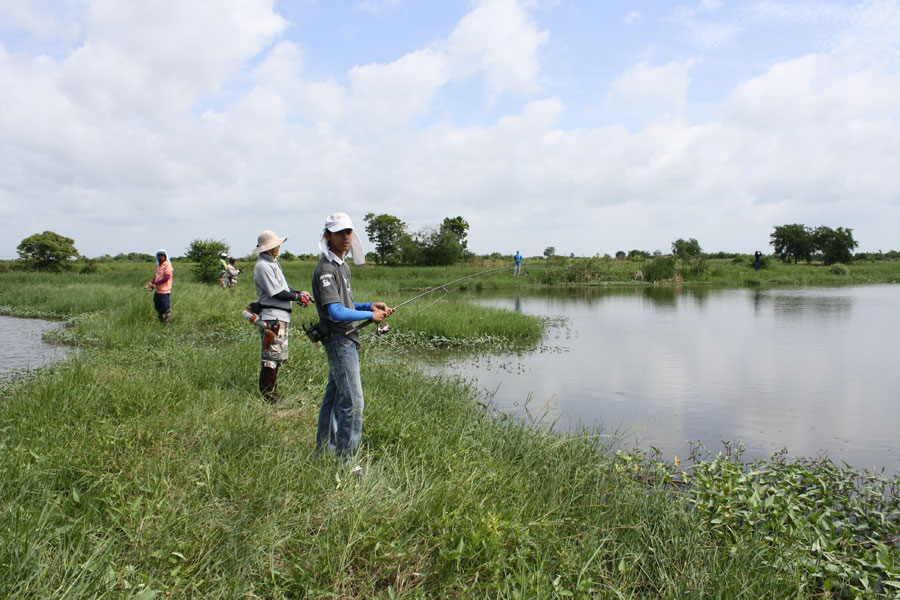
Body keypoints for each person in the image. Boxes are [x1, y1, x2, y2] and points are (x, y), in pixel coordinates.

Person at [312, 213, 392, 460]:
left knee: (334, 396)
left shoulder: (342, 266)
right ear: (328, 236)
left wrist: (370, 306)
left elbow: (346, 302)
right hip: (339, 341)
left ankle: (324, 450)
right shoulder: (325, 269)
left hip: (348, 339)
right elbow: (334, 311)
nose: (346, 237)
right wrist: (369, 314)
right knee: (354, 402)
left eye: (348, 232)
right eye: (339, 232)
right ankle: (346, 461)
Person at [253, 230, 311, 404]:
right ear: (268, 248)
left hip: (280, 316)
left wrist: (299, 293)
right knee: (271, 357)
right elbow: (277, 292)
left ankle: (272, 392)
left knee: (277, 357)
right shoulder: (263, 266)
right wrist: (298, 297)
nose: (278, 248)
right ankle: (268, 395)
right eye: (275, 245)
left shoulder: (273, 263)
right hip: (272, 317)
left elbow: (284, 288)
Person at [146, 249, 173, 325]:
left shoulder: (167, 265)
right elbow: (156, 277)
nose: (160, 257)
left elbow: (166, 277)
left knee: (166, 308)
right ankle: (161, 322)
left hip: (165, 290)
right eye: (159, 255)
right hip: (158, 290)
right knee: (158, 307)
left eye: (162, 255)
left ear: (165, 256)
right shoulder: (157, 266)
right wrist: (151, 282)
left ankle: (167, 324)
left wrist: (155, 284)